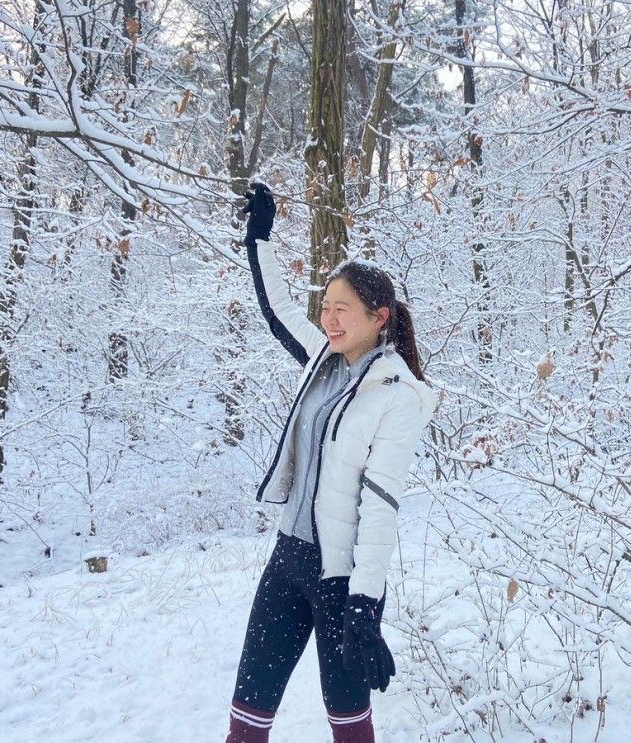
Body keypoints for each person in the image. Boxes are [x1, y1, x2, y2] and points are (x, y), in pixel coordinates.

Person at [225, 183, 438, 743]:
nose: (328, 320)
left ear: (378, 316)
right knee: (245, 724)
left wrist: (364, 604)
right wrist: (261, 240)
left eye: (341, 309)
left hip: (340, 581)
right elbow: (277, 312)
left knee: (349, 730)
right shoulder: (322, 359)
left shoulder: (399, 397)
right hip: (286, 562)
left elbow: (382, 506)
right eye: (325, 307)